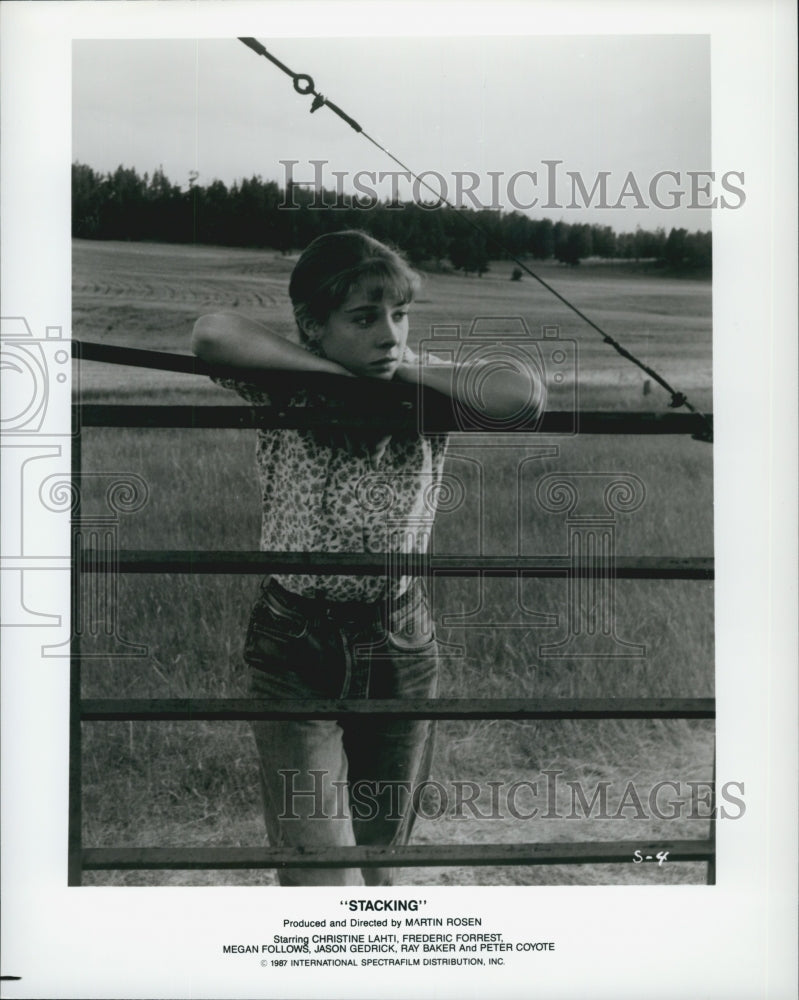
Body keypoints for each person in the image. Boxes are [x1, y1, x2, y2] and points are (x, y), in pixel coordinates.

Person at [192, 230, 537, 886]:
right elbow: (212, 332)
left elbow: (523, 394)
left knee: (382, 865)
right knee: (317, 869)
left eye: (398, 315)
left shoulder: (421, 385)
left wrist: (391, 378)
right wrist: (333, 379)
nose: (388, 334)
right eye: (363, 318)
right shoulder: (282, 381)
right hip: (294, 641)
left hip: (396, 638)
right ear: (313, 327)